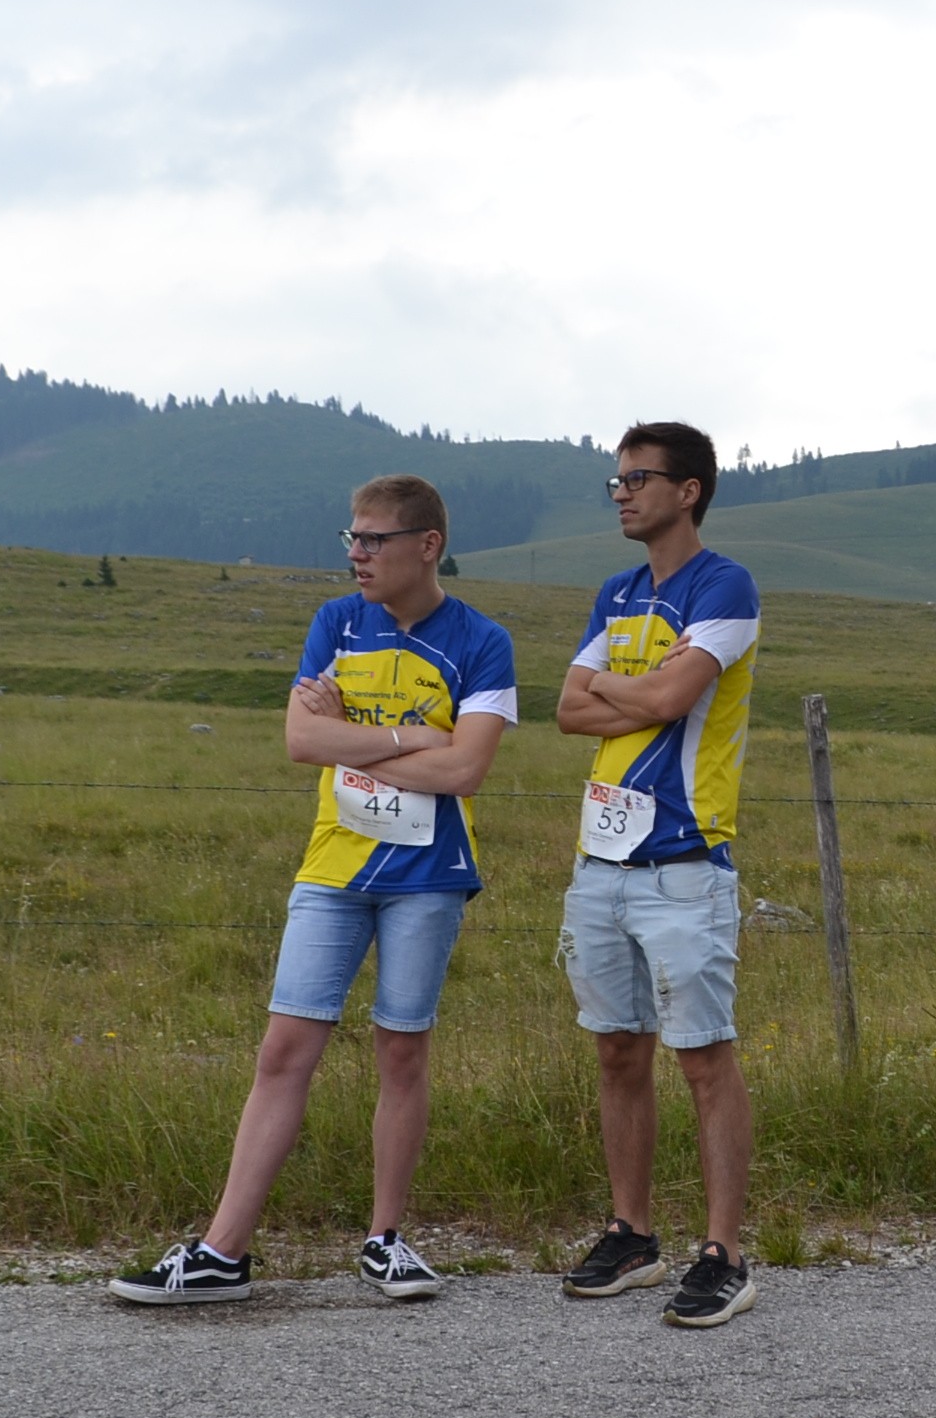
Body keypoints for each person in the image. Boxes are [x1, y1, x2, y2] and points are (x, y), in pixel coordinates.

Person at [112, 475, 517, 1307]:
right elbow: (302, 740)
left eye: (374, 539)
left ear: (427, 546)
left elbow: (466, 769)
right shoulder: (337, 623)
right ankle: (222, 1253)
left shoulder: (483, 641)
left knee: (401, 1052)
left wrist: (353, 737)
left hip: (429, 876)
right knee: (284, 1051)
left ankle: (385, 1241)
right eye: (351, 539)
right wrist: (411, 735)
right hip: (333, 869)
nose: (357, 554)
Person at [552, 422, 763, 1328]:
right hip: (601, 859)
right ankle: (632, 1233)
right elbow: (567, 710)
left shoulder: (723, 585)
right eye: (617, 481)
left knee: (703, 1057)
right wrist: (635, 693)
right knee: (616, 1049)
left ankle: (725, 1253)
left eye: (639, 479)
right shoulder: (617, 591)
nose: (623, 494)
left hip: (683, 858)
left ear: (689, 491)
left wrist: (622, 690)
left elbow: (676, 698)